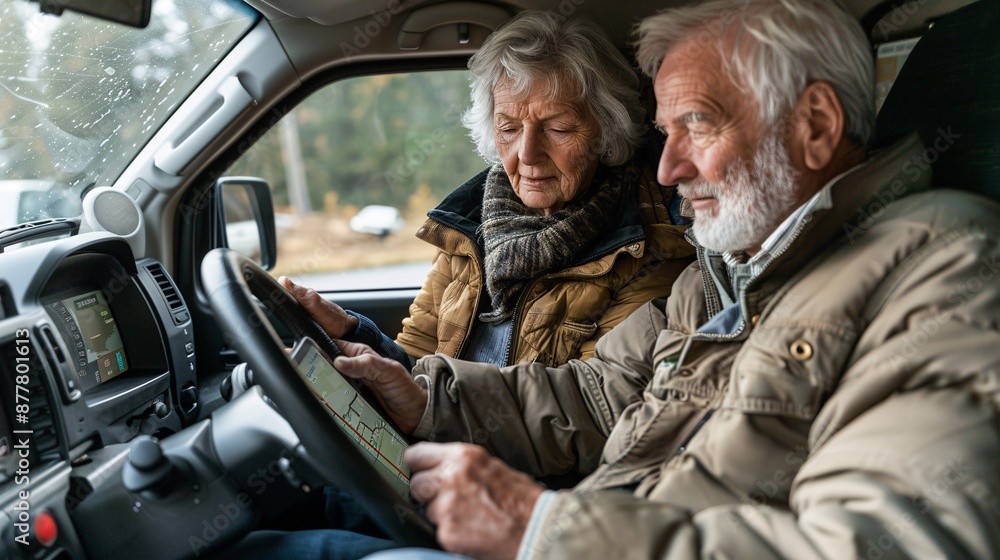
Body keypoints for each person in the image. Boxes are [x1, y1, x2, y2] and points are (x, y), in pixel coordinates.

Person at [289, 0, 1000, 558]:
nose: (667, 170)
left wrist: (545, 530)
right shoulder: (724, 270)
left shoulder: (946, 269)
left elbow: (892, 543)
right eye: (669, 131)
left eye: (697, 124)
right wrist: (424, 397)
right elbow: (602, 394)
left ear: (814, 124)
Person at [280, 10, 693, 371]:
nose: (527, 154)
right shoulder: (470, 224)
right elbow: (417, 366)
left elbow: (578, 413)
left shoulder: (648, 252)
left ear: (606, 129)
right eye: (509, 128)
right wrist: (352, 332)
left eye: (559, 128)